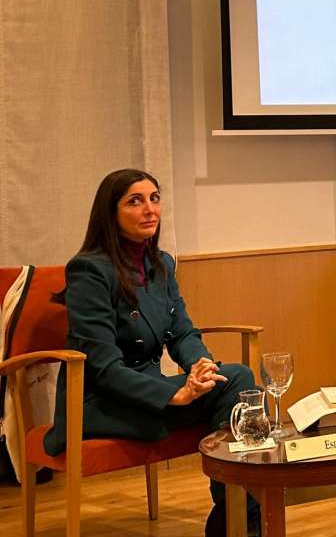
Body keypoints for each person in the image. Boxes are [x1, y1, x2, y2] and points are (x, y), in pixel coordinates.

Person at [43, 169, 259, 536]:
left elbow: (182, 331)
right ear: (110, 213)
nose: (150, 209)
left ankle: (236, 518)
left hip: (150, 393)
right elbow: (103, 367)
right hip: (101, 402)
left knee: (234, 379)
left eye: (154, 199)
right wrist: (174, 394)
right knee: (236, 385)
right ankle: (241, 524)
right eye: (135, 201)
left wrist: (201, 367)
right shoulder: (89, 271)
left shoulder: (161, 264)